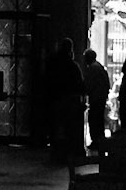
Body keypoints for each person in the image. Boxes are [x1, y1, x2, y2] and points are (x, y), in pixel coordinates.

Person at [45, 35, 86, 173]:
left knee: (56, 128)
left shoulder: (52, 62)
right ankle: (67, 153)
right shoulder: (73, 66)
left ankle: (56, 152)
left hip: (55, 99)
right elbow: (79, 84)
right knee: (69, 129)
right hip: (69, 102)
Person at [82, 48, 111, 155]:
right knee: (98, 121)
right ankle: (100, 141)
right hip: (100, 98)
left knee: (94, 120)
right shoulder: (99, 67)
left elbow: (88, 84)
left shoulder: (92, 69)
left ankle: (96, 141)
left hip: (96, 99)